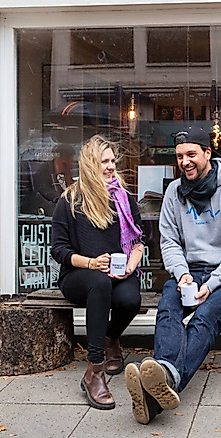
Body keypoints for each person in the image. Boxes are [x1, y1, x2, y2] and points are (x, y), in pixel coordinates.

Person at [123, 125, 221, 425]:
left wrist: (212, 283)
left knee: (204, 318)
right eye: (180, 156)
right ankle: (162, 380)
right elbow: (169, 241)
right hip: (191, 271)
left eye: (192, 154)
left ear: (208, 153)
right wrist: (182, 274)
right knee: (167, 309)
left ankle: (163, 381)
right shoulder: (174, 192)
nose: (185, 162)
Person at [50, 135, 146, 410]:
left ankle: (110, 337)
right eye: (104, 161)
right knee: (99, 283)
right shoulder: (70, 200)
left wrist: (131, 265)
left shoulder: (124, 198)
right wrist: (92, 263)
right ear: (90, 164)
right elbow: (59, 250)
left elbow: (139, 241)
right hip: (79, 275)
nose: (111, 166)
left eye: (113, 161)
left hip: (117, 272)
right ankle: (94, 371)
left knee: (130, 300)